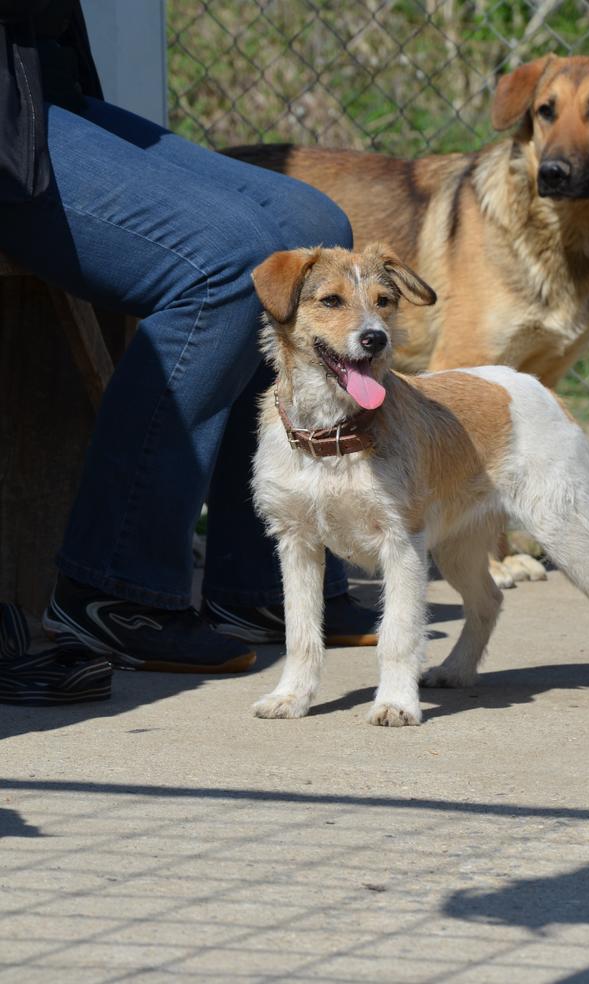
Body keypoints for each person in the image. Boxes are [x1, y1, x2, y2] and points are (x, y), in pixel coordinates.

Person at [0, 1, 378, 677]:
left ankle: (263, 581)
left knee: (312, 223)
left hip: (39, 82)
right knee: (227, 265)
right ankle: (113, 590)